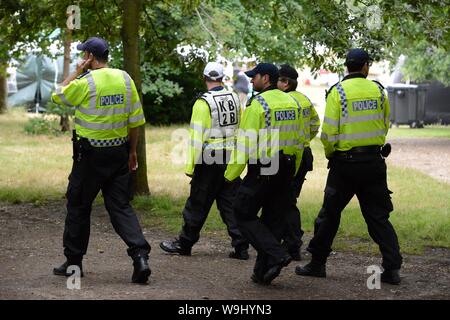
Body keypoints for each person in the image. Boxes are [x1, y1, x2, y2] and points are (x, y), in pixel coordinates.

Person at [295, 48, 403, 285]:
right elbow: (385, 123)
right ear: (365, 66)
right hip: (374, 163)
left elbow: (329, 133)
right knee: (378, 217)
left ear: (347, 66)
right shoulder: (378, 90)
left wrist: (332, 155)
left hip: (345, 165)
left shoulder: (338, 92)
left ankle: (317, 264)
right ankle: (392, 268)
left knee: (329, 215)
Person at [51, 37, 151, 284]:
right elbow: (136, 120)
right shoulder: (125, 79)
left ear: (90, 57)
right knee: (120, 207)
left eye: (83, 55)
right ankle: (140, 256)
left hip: (90, 157)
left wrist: (77, 71)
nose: (81, 58)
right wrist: (132, 152)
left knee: (78, 205)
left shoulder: (86, 82)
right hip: (119, 153)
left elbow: (58, 95)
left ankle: (74, 263)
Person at [225, 63, 306, 285]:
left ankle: (277, 255)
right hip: (287, 167)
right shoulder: (293, 102)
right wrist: (294, 171)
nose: (252, 81)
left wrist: (230, 175)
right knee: (271, 221)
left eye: (255, 77)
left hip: (264, 168)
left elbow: (245, 143)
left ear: (266, 78)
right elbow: (300, 140)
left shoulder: (258, 104)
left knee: (242, 213)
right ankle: (262, 273)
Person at [160, 62, 249, 259]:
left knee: (197, 203)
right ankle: (241, 246)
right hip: (230, 156)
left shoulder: (203, 103)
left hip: (209, 159)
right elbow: (240, 126)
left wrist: (191, 166)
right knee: (229, 202)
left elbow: (196, 138)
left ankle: (184, 244)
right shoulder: (235, 97)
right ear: (222, 78)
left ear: (204, 78)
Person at [277, 64, 320, 261]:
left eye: (278, 79)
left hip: (288, 157)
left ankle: (293, 243)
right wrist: (303, 141)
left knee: (286, 201)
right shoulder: (305, 100)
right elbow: (314, 124)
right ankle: (286, 240)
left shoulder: (283, 101)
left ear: (285, 82)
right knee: (287, 199)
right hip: (304, 154)